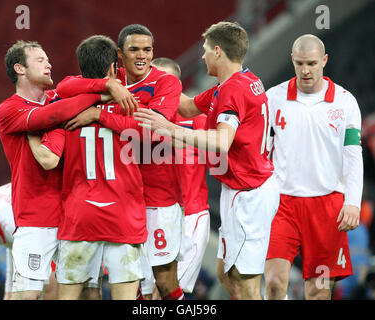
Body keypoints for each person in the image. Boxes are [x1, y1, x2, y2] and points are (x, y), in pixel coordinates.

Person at [134, 21, 280, 300]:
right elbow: (187, 106)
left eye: (204, 50)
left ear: (217, 51)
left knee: (246, 283)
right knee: (226, 274)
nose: (201, 56)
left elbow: (222, 141)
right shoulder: (241, 82)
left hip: (249, 195)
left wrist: (170, 129)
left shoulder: (231, 91)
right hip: (240, 190)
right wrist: (155, 84)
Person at [0, 40, 136, 300]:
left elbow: (69, 89)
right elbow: (49, 117)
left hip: (74, 216)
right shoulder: (10, 109)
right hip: (35, 218)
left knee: (89, 293)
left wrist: (107, 86)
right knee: (28, 295)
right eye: (40, 60)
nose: (49, 64)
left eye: (48, 59)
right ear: (20, 68)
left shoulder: (58, 99)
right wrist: (105, 91)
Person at [53, 25, 184, 300]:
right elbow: (64, 84)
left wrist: (98, 115)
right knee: (130, 288)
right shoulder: (115, 79)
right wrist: (108, 84)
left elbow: (151, 131)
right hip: (123, 200)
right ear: (119, 55)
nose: (142, 56)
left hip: (156, 197)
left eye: (147, 50)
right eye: (134, 49)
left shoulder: (166, 83)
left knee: (161, 280)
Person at [264, 34, 363, 300]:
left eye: (311, 63)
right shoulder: (273, 98)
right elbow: (261, 150)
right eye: (299, 64)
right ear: (292, 61)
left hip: (327, 205)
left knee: (318, 292)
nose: (305, 70)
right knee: (273, 281)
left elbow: (353, 155)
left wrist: (352, 202)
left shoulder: (345, 101)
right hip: (282, 203)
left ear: (324, 61)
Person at [151, 57, 211, 297]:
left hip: (190, 216)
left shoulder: (199, 120)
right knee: (144, 288)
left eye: (168, 81)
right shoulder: (141, 118)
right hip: (152, 213)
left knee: (167, 288)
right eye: (156, 80)